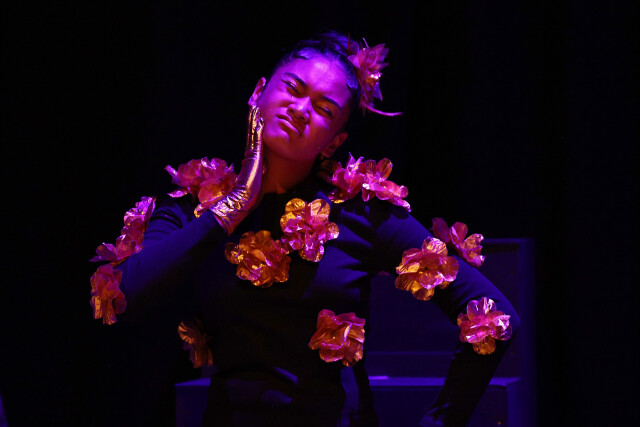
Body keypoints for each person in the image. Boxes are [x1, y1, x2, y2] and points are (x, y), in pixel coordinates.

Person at [90, 31, 520, 426]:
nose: (300, 110)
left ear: (334, 142)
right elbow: (122, 294)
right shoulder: (194, 206)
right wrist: (235, 204)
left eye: (324, 109)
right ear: (258, 93)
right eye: (293, 89)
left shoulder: (360, 212)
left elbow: (494, 315)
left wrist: (439, 421)